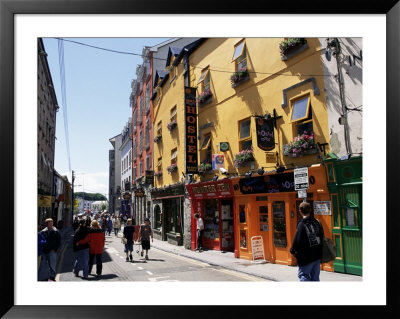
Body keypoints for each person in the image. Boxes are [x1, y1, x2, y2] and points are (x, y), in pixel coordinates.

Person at [290, 201, 324, 281]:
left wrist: (292, 251)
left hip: (306, 257)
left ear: (300, 211)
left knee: (303, 275)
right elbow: (321, 237)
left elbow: (297, 240)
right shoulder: (317, 222)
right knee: (315, 278)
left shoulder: (302, 224)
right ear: (310, 210)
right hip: (317, 255)